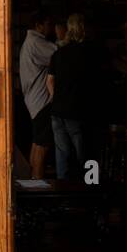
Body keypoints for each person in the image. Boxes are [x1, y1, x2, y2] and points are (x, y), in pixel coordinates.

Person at [47, 12, 89, 181]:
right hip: (78, 109)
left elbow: (49, 81)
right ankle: (89, 186)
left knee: (62, 152)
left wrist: (56, 97)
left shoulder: (58, 53)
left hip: (57, 110)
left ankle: (62, 190)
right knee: (85, 152)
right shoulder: (87, 53)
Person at [18, 10, 57, 179]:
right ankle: (37, 185)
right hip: (42, 101)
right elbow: (59, 55)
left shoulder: (31, 42)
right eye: (48, 24)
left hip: (34, 101)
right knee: (42, 145)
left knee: (36, 143)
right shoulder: (36, 42)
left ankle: (32, 181)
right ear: (38, 25)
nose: (51, 28)